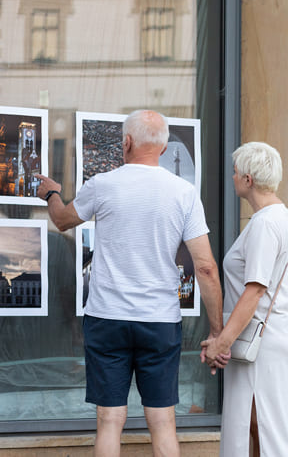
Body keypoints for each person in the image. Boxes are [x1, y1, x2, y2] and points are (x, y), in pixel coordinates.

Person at [37, 109, 223, 457]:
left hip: (108, 317)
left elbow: (62, 221)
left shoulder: (104, 184)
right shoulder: (183, 193)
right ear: (165, 148)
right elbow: (206, 268)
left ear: (126, 142)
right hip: (160, 321)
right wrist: (217, 331)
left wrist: (52, 193)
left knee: (109, 421)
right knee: (164, 422)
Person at [201, 142, 288, 456]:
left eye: (236, 172)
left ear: (249, 180)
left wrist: (222, 342)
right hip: (271, 336)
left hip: (259, 342)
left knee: (258, 428)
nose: (233, 177)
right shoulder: (281, 218)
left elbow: (255, 290)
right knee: (260, 427)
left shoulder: (265, 223)